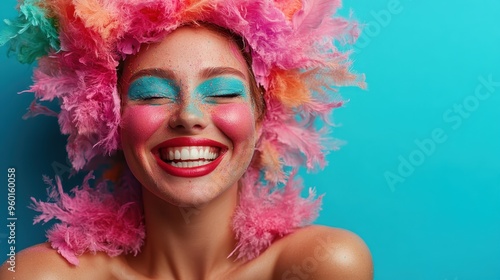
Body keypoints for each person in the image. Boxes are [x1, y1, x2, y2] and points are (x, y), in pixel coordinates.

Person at [1, 0, 372, 279]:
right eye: (151, 94)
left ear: (262, 119)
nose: (189, 117)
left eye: (224, 92)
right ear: (112, 120)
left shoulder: (322, 264)